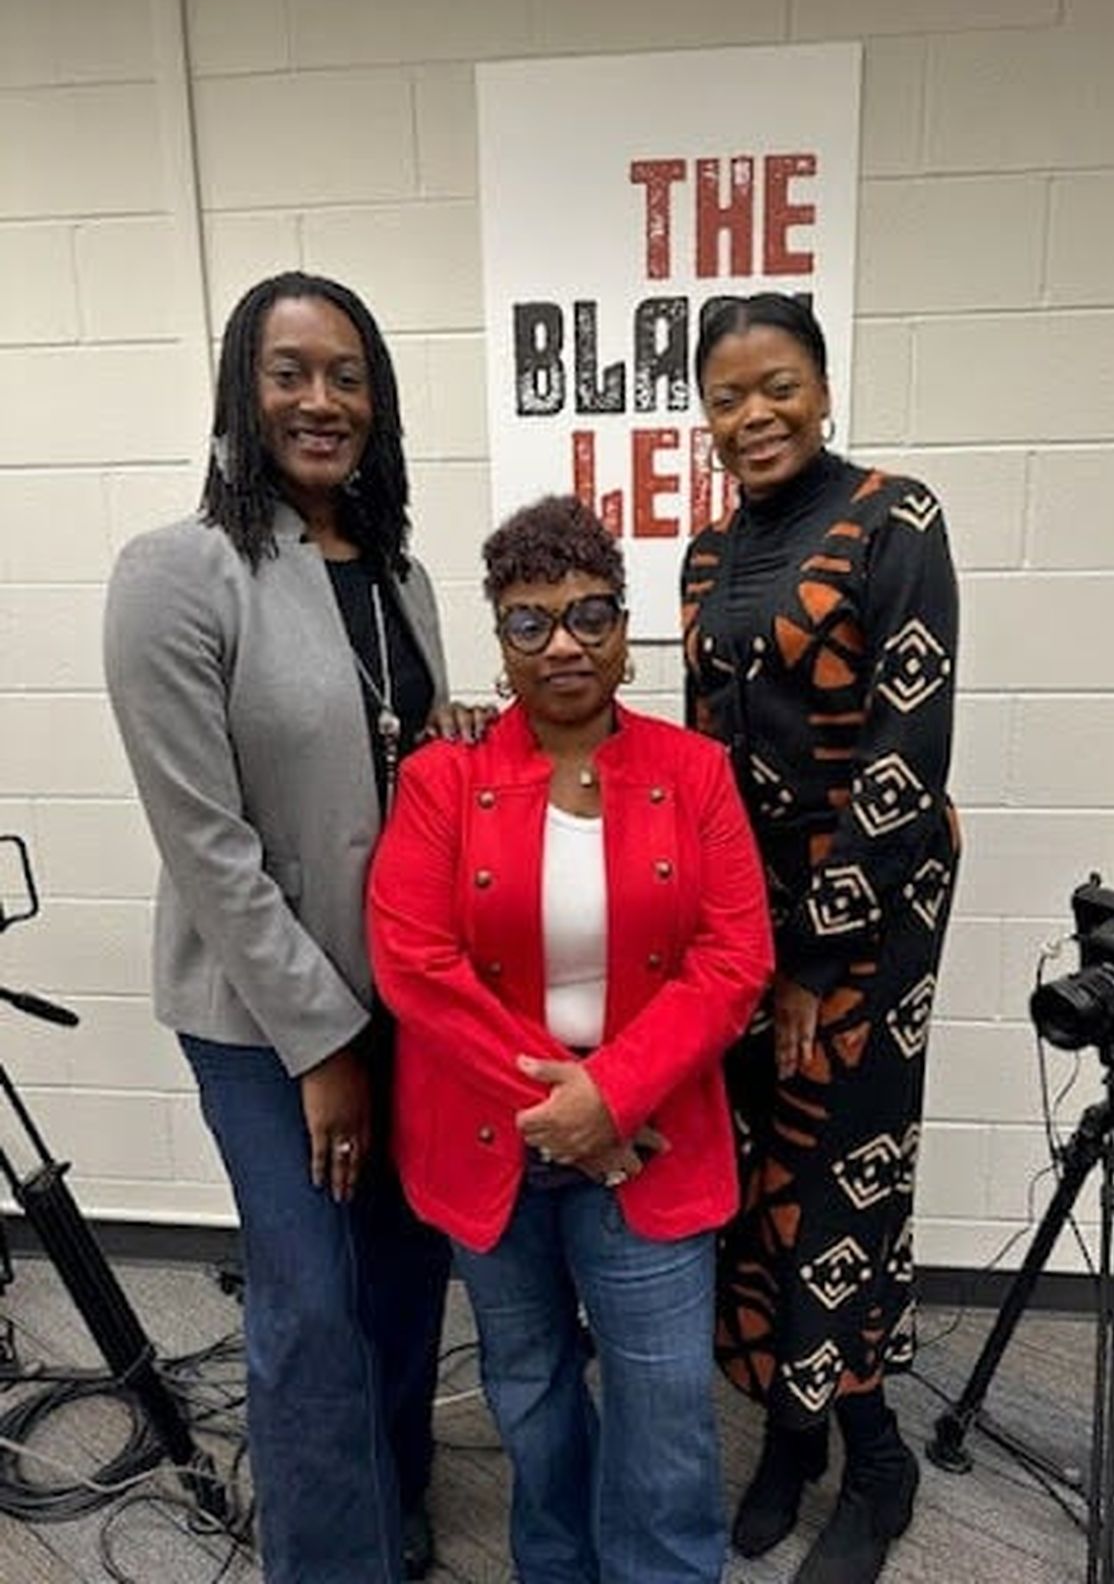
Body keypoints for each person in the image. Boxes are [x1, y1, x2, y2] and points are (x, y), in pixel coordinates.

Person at [104, 271, 479, 1583]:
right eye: (289, 372)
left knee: (402, 1271)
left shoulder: (403, 575)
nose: (321, 401)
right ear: (242, 391)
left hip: (408, 1000)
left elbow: (404, 776)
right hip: (264, 1020)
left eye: (347, 375)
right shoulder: (177, 574)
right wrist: (321, 1043)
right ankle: (332, 1558)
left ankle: (389, 1493)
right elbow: (202, 840)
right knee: (313, 1300)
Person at [367, 495, 773, 1584]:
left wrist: (615, 1098)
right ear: (500, 640)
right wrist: (570, 1115)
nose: (564, 644)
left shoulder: (696, 774)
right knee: (531, 1384)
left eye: (591, 615)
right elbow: (415, 963)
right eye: (531, 621)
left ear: (623, 630)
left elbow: (733, 960)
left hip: (654, 1138)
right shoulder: (442, 779)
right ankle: (556, 1564)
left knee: (665, 1400)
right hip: (495, 1143)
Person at [683, 292, 960, 1584]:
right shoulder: (704, 557)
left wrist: (811, 961)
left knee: (845, 1172)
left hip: (873, 913)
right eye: (729, 396)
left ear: (825, 387)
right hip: (749, 923)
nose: (755, 415)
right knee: (761, 1184)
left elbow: (907, 763)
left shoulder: (896, 519)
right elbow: (702, 768)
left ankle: (878, 1456)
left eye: (778, 386)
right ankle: (794, 1438)